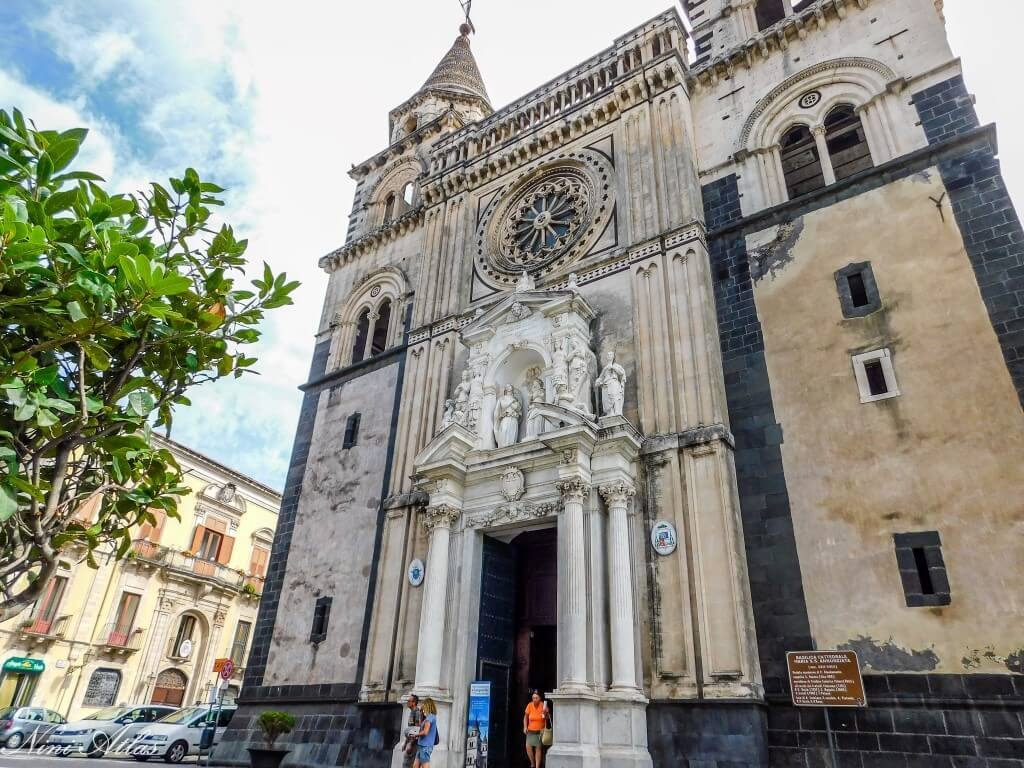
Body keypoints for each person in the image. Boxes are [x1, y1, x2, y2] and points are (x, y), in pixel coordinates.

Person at [523, 690, 549, 768]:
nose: (534, 699)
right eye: (533, 698)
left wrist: (546, 713)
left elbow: (547, 718)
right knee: (528, 747)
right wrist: (525, 727)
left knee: (538, 749)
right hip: (530, 730)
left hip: (540, 731)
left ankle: (537, 766)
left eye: (536, 698)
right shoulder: (529, 705)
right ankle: (532, 763)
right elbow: (525, 717)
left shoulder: (543, 706)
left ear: (540, 698)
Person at [413, 697, 439, 768]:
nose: (423, 710)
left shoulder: (430, 717)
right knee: (415, 766)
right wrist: (421, 714)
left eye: (424, 707)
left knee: (425, 766)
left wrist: (416, 734)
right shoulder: (429, 717)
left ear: (427, 706)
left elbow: (425, 732)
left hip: (425, 746)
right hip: (422, 745)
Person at [402, 694, 423, 767]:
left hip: (414, 743)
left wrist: (410, 744)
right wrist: (405, 742)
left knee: (407, 764)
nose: (407, 702)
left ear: (414, 703)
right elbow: (411, 730)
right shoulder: (412, 712)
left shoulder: (417, 713)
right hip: (410, 741)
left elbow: (417, 729)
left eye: (409, 701)